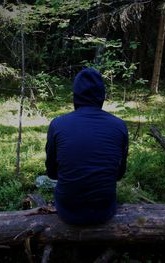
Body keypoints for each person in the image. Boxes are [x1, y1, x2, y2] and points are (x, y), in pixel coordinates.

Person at [45, 67, 128, 225]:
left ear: (75, 96)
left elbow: (51, 173)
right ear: (102, 96)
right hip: (104, 211)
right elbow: (119, 174)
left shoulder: (57, 124)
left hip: (67, 211)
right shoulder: (119, 126)